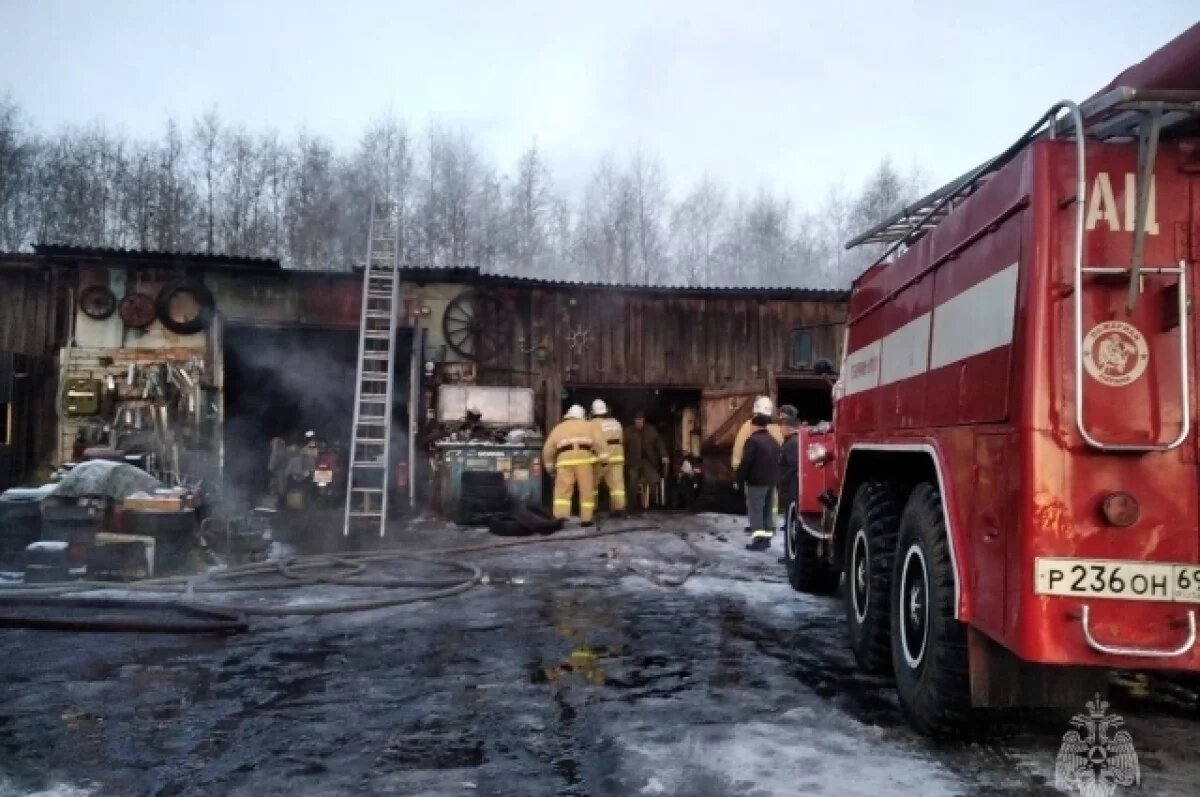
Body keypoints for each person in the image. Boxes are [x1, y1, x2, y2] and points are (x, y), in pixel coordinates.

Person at [543, 404, 608, 526]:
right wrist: (604, 461)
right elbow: (600, 444)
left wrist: (550, 467)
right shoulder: (590, 426)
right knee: (586, 490)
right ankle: (586, 519)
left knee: (562, 491)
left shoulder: (559, 428)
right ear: (582, 416)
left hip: (564, 461)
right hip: (584, 461)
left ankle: (560, 517)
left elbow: (548, 449)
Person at [731, 396, 784, 533]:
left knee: (755, 505)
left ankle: (758, 530)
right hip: (772, 476)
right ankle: (769, 526)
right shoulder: (777, 428)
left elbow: (739, 451)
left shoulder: (749, 426)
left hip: (755, 477)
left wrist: (738, 473)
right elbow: (780, 450)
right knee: (771, 503)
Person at [589, 399, 627, 517]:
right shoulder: (616, 423)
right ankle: (619, 508)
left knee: (592, 484)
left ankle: (592, 508)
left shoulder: (593, 423)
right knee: (617, 485)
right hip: (617, 457)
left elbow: (591, 441)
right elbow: (622, 438)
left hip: (601, 457)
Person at [624, 411, 669, 510]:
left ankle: (654, 503)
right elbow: (623, 447)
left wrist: (664, 455)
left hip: (648, 461)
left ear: (644, 421)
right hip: (633, 461)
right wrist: (624, 460)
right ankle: (633, 504)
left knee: (654, 480)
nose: (639, 423)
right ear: (634, 421)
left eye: (641, 421)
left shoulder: (651, 430)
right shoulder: (628, 432)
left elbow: (659, 443)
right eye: (637, 421)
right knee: (632, 481)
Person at [777, 405, 801, 519]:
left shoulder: (792, 443)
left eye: (782, 426)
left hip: (791, 485)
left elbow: (794, 466)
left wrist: (783, 479)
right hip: (789, 485)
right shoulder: (789, 441)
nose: (780, 429)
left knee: (791, 507)